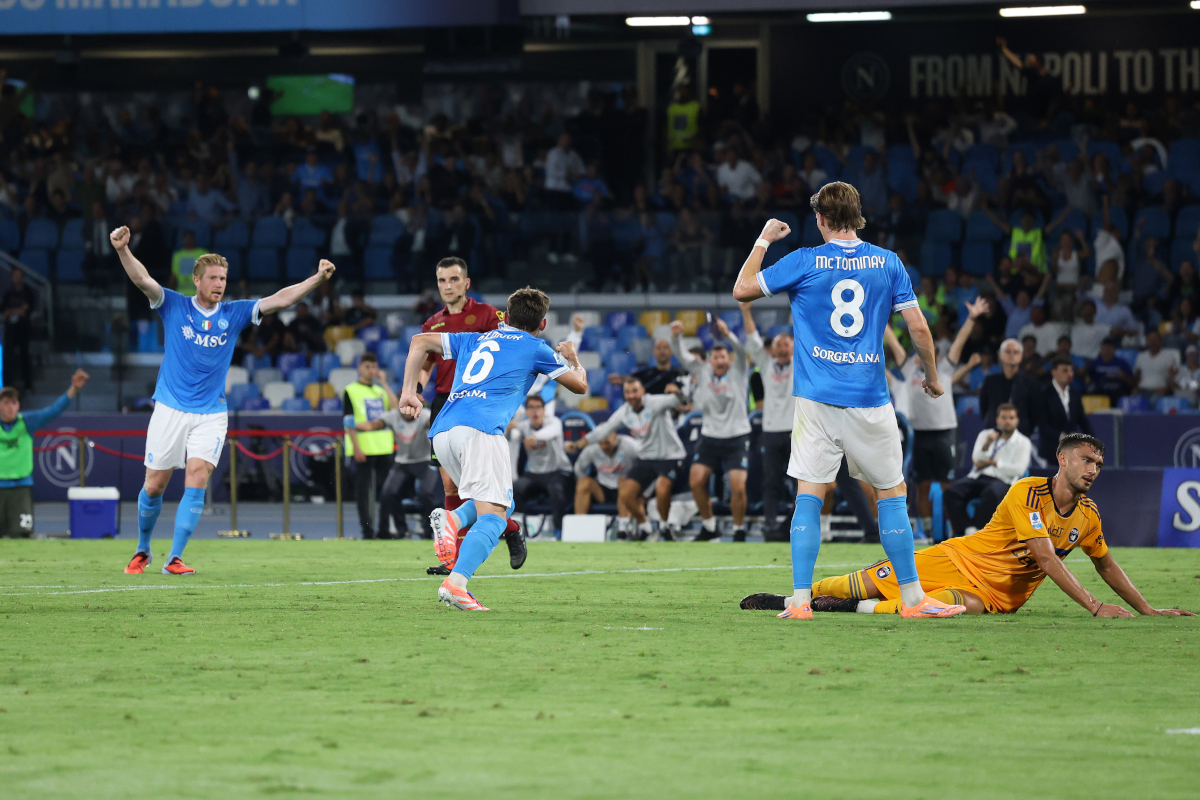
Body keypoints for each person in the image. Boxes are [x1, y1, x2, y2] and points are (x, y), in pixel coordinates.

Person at [732, 182, 965, 619]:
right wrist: (932, 378)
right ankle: (913, 600)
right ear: (859, 216)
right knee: (891, 493)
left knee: (810, 492)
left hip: (815, 399)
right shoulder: (888, 262)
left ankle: (801, 601)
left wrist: (764, 238)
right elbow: (918, 329)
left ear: (820, 219)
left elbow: (742, 289)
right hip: (869, 399)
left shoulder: (803, 260)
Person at [743, 434, 1193, 619]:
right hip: (956, 558)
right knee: (859, 583)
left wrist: (1147, 610)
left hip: (998, 596)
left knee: (940, 613)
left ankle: (837, 611)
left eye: (1098, 463)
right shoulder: (1027, 494)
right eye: (1085, 460)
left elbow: (1108, 566)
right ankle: (789, 599)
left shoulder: (1089, 516)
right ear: (1062, 460)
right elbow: (1043, 557)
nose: (1093, 469)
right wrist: (1095, 608)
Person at [111, 226, 335, 576]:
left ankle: (174, 558)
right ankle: (142, 549)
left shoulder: (233, 314)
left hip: (211, 413)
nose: (220, 283)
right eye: (213, 277)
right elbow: (143, 281)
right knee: (154, 484)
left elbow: (281, 299)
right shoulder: (174, 305)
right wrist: (123, 250)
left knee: (198, 476)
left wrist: (316, 280)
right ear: (196, 280)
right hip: (170, 407)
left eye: (224, 278)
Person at [398, 287, 587, 611]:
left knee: (503, 504)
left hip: (443, 430)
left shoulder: (475, 338)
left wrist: (407, 393)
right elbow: (580, 385)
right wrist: (572, 357)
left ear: (507, 316)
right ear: (541, 325)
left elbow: (419, 342)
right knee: (495, 518)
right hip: (481, 432)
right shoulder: (536, 348)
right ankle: (457, 582)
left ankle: (456, 520)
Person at [418, 257, 524, 573]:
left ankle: (511, 531)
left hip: (478, 406)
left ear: (467, 283)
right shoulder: (432, 324)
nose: (447, 286)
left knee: (480, 493)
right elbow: (426, 363)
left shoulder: (488, 315)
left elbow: (510, 346)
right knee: (451, 488)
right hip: (444, 405)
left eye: (453, 279)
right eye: (441, 280)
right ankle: (455, 557)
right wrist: (413, 391)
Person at [886, 297, 988, 540]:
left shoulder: (944, 369)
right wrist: (879, 319)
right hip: (918, 433)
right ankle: (931, 533)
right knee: (921, 486)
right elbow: (891, 340)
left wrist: (972, 317)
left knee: (947, 485)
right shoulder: (909, 367)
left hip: (944, 432)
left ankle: (954, 532)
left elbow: (960, 343)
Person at [566, 377, 687, 541]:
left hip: (670, 455)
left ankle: (665, 527)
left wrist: (678, 391)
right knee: (626, 493)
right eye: (627, 392)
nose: (631, 396)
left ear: (643, 391)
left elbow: (681, 400)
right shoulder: (624, 412)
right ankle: (645, 527)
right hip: (647, 457)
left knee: (662, 489)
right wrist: (579, 444)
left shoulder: (656, 403)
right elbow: (602, 431)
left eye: (635, 391)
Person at [671, 316, 752, 542]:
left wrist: (727, 335)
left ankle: (738, 529)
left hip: (737, 436)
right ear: (710, 360)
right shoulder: (702, 371)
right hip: (710, 436)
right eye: (715, 357)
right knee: (696, 480)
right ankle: (709, 526)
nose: (720, 360)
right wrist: (676, 337)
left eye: (723, 356)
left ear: (729, 359)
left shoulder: (738, 371)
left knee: (737, 487)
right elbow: (682, 357)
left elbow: (741, 349)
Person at [0, 370, 89, 537]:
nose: (10, 407)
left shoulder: (26, 422)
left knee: (22, 535)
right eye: (5, 402)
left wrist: (73, 389)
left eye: (13, 402)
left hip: (21, 488)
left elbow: (52, 411)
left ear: (18, 405)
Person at [353, 393, 438, 540]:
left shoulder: (424, 415)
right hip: (402, 462)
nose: (408, 410)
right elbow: (373, 425)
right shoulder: (392, 416)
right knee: (388, 494)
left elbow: (434, 424)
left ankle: (428, 531)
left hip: (423, 461)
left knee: (426, 494)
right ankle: (400, 530)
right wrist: (353, 425)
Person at [742, 305, 794, 542]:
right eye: (779, 345)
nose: (783, 349)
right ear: (772, 350)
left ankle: (796, 525)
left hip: (797, 431)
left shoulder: (801, 363)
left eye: (786, 345)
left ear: (793, 348)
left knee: (800, 483)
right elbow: (752, 339)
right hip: (771, 430)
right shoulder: (764, 364)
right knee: (771, 481)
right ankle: (770, 525)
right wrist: (745, 311)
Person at [943, 403, 1032, 538]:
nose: (1007, 421)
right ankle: (965, 530)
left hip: (1004, 481)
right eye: (1004, 417)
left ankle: (980, 531)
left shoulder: (1023, 442)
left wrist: (994, 463)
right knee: (951, 492)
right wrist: (988, 443)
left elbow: (1018, 470)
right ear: (997, 420)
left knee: (992, 493)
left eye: (1011, 418)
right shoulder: (986, 435)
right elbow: (976, 460)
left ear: (1017, 420)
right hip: (979, 476)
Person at [342, 352, 394, 540]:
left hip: (384, 446)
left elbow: (395, 409)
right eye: (368, 367)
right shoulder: (351, 390)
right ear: (359, 368)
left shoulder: (380, 391)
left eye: (374, 367)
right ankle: (367, 531)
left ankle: (384, 529)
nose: (372, 371)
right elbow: (348, 420)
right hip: (364, 446)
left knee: (388, 491)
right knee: (363, 493)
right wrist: (356, 447)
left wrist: (385, 384)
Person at [510, 395, 571, 537]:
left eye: (538, 407)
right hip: (534, 474)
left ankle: (559, 530)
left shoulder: (554, 422)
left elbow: (550, 432)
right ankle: (520, 528)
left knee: (556, 490)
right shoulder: (524, 427)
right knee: (514, 489)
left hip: (557, 471)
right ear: (526, 412)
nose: (535, 411)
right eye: (531, 408)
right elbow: (513, 436)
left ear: (544, 410)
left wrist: (534, 437)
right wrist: (507, 429)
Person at [573, 431, 642, 538]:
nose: (604, 447)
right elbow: (579, 469)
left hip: (626, 489)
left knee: (624, 482)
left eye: (607, 443)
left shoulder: (631, 445)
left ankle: (623, 530)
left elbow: (647, 463)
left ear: (615, 437)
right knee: (583, 483)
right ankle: (579, 531)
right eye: (601, 443)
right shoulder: (592, 447)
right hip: (603, 489)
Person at [1037, 356, 1094, 463]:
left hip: (1072, 452)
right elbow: (1043, 426)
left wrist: (1092, 440)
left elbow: (1082, 420)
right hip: (1051, 451)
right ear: (1053, 372)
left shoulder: (1075, 393)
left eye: (1071, 370)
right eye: (1065, 370)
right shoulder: (1043, 394)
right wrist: (1063, 436)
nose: (1070, 374)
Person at [979, 338, 1040, 436]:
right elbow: (984, 407)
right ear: (1000, 355)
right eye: (1008, 352)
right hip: (994, 432)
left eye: (1016, 352)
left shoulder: (1030, 383)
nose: (1012, 355)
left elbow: (1034, 413)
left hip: (1021, 434)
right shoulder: (990, 381)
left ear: (1021, 356)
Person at [1, 268, 36, 390]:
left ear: (23, 277)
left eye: (19, 275)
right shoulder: (8, 293)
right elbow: (5, 311)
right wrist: (17, 310)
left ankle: (28, 384)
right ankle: (8, 384)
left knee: (24, 355)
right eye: (14, 275)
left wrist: (15, 311)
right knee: (8, 356)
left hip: (23, 329)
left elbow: (27, 309)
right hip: (10, 329)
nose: (16, 278)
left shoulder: (28, 292)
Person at [1133, 330, 1180, 399]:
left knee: (1154, 401)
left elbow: (1172, 377)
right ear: (1147, 341)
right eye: (1151, 339)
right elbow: (1137, 377)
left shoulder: (1169, 356)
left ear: (1161, 341)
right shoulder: (1141, 356)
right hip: (1142, 390)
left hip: (1160, 391)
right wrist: (1135, 389)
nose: (1153, 342)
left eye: (1156, 339)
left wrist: (1165, 389)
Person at [1089, 337, 1136, 403]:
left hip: (1118, 394)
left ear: (1114, 349)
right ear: (1101, 349)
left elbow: (1132, 383)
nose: (1107, 351)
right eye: (1105, 348)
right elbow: (1089, 380)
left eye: (1109, 348)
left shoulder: (1122, 363)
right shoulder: (1095, 363)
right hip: (1101, 395)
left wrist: (1124, 377)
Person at [169, 230, 207, 298]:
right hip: (181, 293)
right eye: (185, 238)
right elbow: (174, 275)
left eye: (190, 238)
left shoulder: (203, 253)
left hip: (198, 293)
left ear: (194, 239)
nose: (188, 240)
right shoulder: (177, 255)